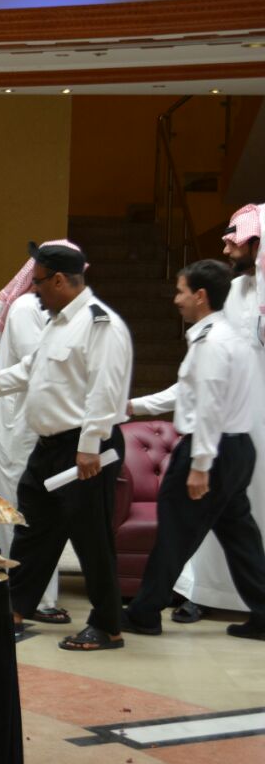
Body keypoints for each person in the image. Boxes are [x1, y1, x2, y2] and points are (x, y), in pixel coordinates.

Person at [0, 241, 132, 651]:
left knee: (91, 537)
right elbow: (27, 371)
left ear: (60, 280)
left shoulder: (100, 324)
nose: (35, 290)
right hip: (50, 447)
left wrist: (89, 446)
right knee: (32, 529)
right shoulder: (59, 323)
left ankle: (108, 626)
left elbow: (105, 388)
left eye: (40, 282)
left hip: (85, 448)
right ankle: (14, 610)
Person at [120, 259, 265, 641]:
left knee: (174, 532)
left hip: (211, 451)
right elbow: (188, 392)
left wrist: (200, 465)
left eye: (181, 291)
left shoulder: (211, 343)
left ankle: (144, 613)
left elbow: (209, 408)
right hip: (237, 450)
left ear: (200, 296)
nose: (176, 299)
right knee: (241, 538)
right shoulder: (231, 337)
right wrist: (134, 406)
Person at [0, 243, 82, 626]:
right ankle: (25, 596)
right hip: (17, 422)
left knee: (36, 514)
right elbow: (39, 365)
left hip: (38, 421)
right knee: (16, 510)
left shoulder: (63, 313)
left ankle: (31, 595)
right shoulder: (25, 308)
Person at [169, 203, 265, 623]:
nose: (226, 249)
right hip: (231, 422)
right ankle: (202, 591)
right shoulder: (236, 291)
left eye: (234, 241)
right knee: (218, 511)